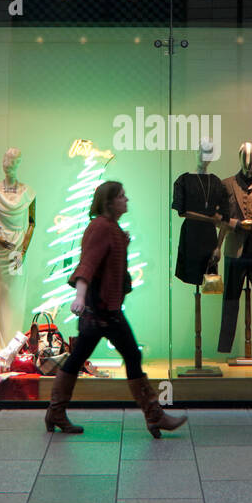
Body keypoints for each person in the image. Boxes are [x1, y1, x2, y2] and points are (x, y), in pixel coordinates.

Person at [45, 181, 187, 438]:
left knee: (82, 358)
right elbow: (86, 264)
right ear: (109, 202)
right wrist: (79, 297)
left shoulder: (111, 228)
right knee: (128, 356)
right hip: (100, 313)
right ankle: (154, 416)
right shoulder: (100, 227)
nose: (126, 199)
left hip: (105, 311)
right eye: (122, 196)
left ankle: (56, 411)